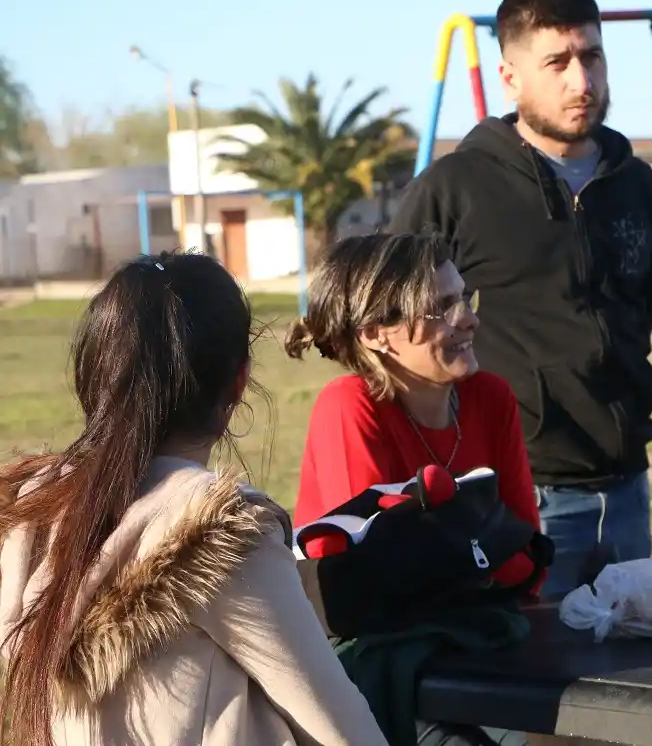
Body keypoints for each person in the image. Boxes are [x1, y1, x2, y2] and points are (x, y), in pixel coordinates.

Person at [0, 252, 388, 746]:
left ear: (94, 375)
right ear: (239, 381)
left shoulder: (34, 510)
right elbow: (340, 726)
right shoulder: (215, 530)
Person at [389, 0, 652, 597]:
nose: (581, 80)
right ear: (511, 78)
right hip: (523, 497)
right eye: (557, 62)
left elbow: (643, 305)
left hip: (629, 491)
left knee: (635, 682)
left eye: (591, 56)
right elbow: (388, 326)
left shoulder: (638, 186)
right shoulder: (454, 189)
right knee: (538, 682)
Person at [286, 232, 542, 592]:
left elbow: (529, 559)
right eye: (443, 307)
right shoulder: (348, 407)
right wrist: (484, 549)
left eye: (465, 299)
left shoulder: (491, 397)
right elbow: (377, 571)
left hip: (486, 629)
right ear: (375, 333)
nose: (469, 320)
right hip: (376, 644)